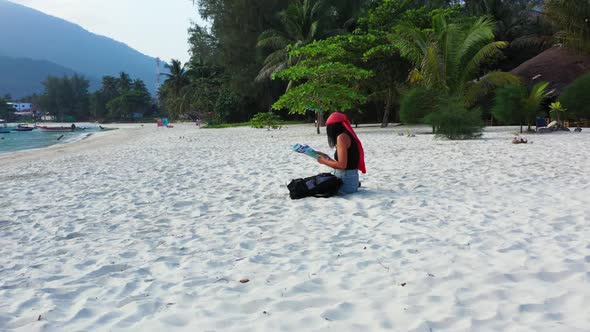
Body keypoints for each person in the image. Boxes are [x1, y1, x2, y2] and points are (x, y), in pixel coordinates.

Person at [316, 112, 366, 195]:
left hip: (345, 182)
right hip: (349, 178)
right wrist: (324, 156)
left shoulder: (342, 137)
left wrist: (323, 161)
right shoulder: (348, 134)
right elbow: (342, 162)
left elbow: (342, 165)